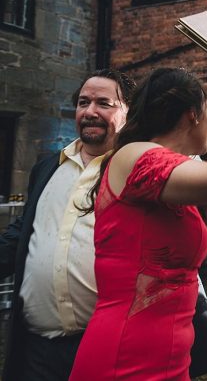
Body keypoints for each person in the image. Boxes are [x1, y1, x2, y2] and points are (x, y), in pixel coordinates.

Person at [68, 45, 207, 380]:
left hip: (170, 355)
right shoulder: (134, 155)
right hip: (126, 356)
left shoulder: (171, 175)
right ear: (193, 115)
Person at [0, 69, 134, 380]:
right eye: (83, 102)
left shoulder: (135, 172)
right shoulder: (47, 168)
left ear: (129, 112)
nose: (90, 112)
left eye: (104, 103)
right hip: (34, 349)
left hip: (105, 348)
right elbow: (25, 233)